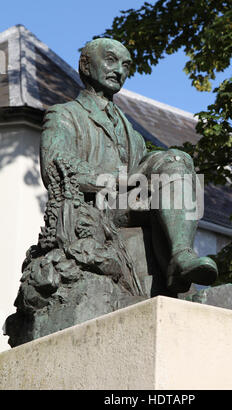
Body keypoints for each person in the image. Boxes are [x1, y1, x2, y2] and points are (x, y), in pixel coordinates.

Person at [40, 38, 218, 294]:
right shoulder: (64, 114)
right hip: (94, 208)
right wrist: (121, 180)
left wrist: (141, 180)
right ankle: (177, 261)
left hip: (130, 201)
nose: (119, 70)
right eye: (111, 60)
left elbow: (152, 171)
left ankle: (181, 256)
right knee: (172, 165)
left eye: (126, 65)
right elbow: (56, 166)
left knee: (180, 160)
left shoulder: (131, 132)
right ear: (86, 66)